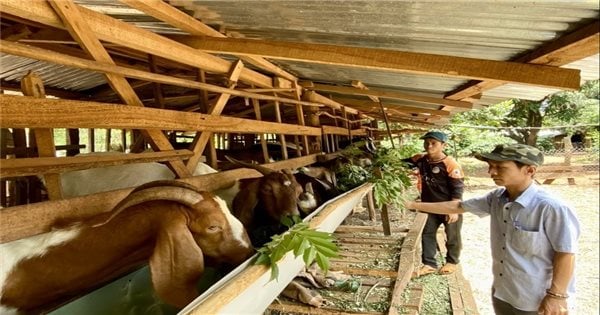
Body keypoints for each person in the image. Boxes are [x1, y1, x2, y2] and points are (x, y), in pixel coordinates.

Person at [405, 144, 581, 315]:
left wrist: (557, 296)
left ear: (530, 170)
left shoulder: (551, 208)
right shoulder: (497, 198)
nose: (491, 172)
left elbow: (566, 253)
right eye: (490, 166)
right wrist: (412, 204)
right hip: (503, 292)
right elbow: (457, 206)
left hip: (535, 299)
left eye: (500, 167)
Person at [403, 131, 465, 276]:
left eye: (433, 143)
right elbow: (404, 163)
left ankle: (452, 261)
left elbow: (457, 188)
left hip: (448, 207)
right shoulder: (421, 159)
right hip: (428, 206)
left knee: (452, 235)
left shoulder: (450, 164)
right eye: (426, 142)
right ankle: (429, 263)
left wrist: (454, 210)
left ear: (443, 145)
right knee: (427, 233)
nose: (429, 146)